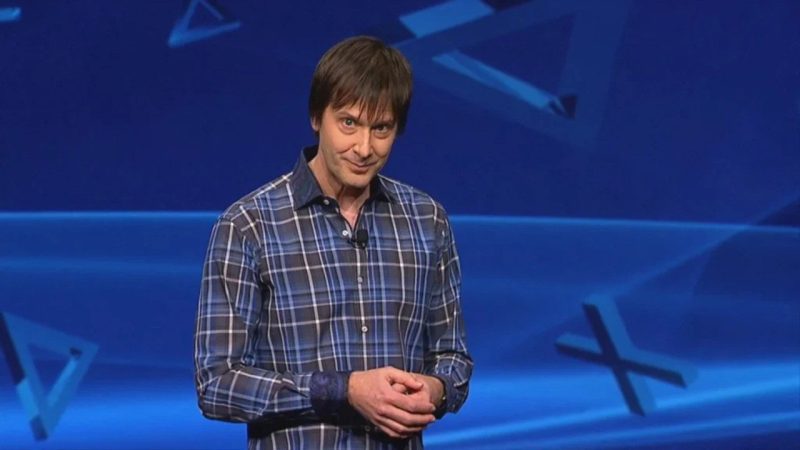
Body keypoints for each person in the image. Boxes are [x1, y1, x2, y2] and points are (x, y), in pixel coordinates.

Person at [194, 35, 472, 450]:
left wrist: (434, 389)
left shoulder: (427, 220)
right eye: (348, 123)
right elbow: (216, 383)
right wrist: (343, 390)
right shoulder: (249, 225)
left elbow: (453, 358)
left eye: (381, 129)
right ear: (315, 117)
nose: (364, 148)